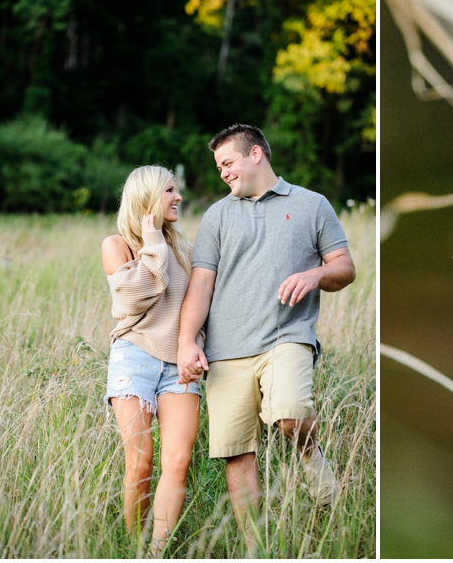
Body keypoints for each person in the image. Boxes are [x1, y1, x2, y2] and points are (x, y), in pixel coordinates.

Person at [176, 123, 356, 536]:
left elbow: (344, 268)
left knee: (291, 415)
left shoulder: (312, 205)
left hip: (287, 337)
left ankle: (316, 466)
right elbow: (202, 284)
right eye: (218, 166)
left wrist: (315, 275)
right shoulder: (217, 215)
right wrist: (188, 343)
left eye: (228, 162)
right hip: (225, 352)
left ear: (256, 154)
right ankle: (256, 546)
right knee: (237, 455)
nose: (222, 172)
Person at [101, 165, 202, 556]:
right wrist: (154, 241)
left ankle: (157, 553)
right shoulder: (117, 245)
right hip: (134, 359)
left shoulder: (186, 250)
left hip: (178, 365)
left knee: (178, 460)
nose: (178, 198)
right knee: (141, 463)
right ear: (147, 198)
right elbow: (134, 297)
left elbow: (199, 306)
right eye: (170, 191)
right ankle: (133, 548)